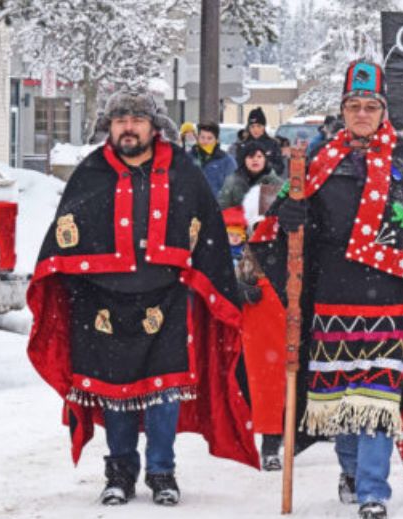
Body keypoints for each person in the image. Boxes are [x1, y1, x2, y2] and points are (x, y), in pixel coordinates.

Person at [26, 87, 258, 507]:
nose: (128, 128)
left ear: (155, 127)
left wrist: (221, 285)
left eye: (136, 120)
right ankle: (119, 473)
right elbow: (64, 240)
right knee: (115, 393)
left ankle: (161, 473)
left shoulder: (182, 171)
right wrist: (76, 291)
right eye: (120, 120)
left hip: (166, 299)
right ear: (108, 127)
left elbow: (207, 234)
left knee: (164, 394)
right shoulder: (91, 172)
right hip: (101, 305)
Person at [250, 60, 403, 519]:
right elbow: (285, 222)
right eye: (353, 106)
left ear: (382, 111)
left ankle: (374, 489)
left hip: (387, 294)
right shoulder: (320, 159)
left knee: (377, 396)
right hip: (331, 292)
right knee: (338, 399)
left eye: (369, 106)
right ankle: (353, 472)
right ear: (343, 109)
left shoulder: (401, 159)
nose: (361, 114)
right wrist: (293, 219)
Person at [218, 139, 284, 210]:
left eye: (259, 157)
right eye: (251, 157)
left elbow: (283, 210)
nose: (255, 160)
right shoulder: (233, 181)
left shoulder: (275, 182)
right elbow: (222, 208)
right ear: (244, 160)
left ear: (265, 159)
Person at [188, 121, 237, 197]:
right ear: (198, 138)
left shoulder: (226, 161)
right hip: (192, 206)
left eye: (209, 138)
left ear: (216, 140)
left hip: (217, 206)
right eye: (202, 137)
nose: (205, 141)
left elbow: (233, 188)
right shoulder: (188, 157)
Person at [236, 106, 283, 174]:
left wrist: (265, 164)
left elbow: (280, 168)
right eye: (252, 126)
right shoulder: (242, 145)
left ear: (264, 127)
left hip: (268, 182)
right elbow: (237, 167)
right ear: (248, 128)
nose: (255, 130)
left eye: (258, 126)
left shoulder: (273, 144)